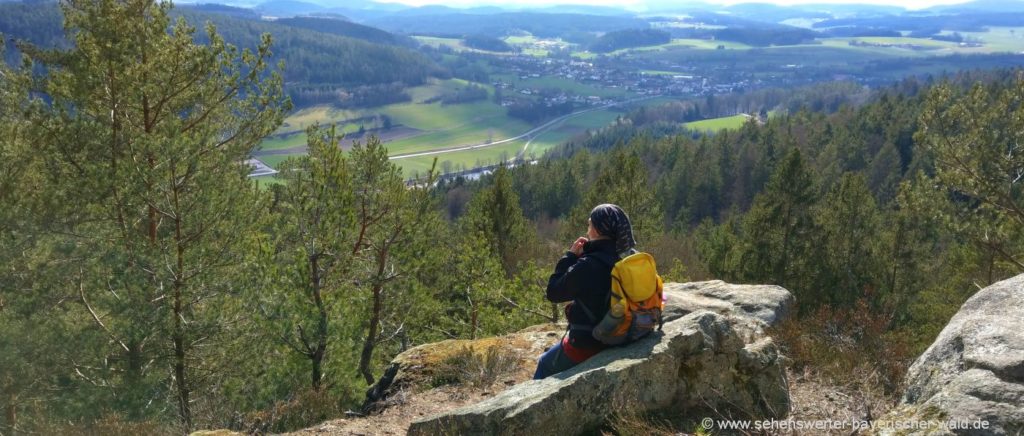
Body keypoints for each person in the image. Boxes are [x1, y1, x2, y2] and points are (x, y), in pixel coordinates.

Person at [533, 203, 637, 379]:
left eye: (589, 225)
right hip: (625, 334)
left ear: (596, 230)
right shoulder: (629, 258)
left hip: (589, 344)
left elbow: (553, 292)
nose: (588, 230)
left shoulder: (588, 265)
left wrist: (570, 257)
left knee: (544, 363)